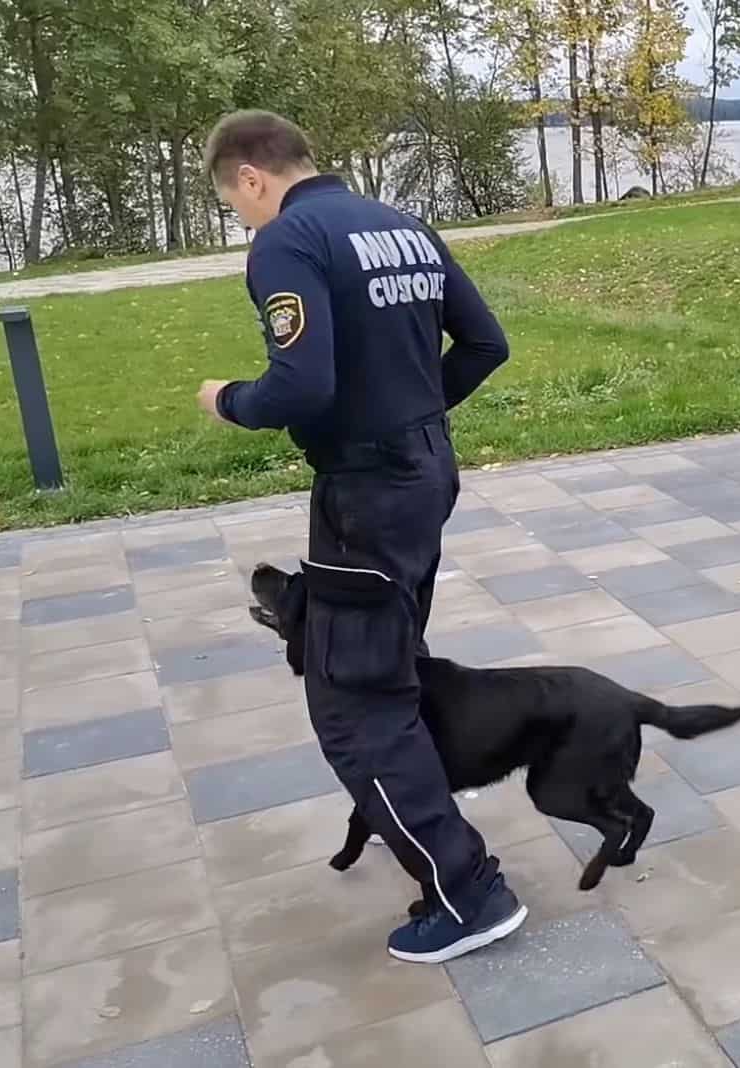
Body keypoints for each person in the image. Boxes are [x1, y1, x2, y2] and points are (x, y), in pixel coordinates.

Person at [195, 110, 523, 964]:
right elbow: (486, 344)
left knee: (351, 700)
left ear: (251, 178)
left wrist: (229, 399)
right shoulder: (401, 225)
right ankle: (410, 809)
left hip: (370, 492)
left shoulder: (287, 241)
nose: (243, 217)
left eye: (236, 202)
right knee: (391, 660)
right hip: (424, 473)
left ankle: (467, 892)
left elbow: (300, 385)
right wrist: (413, 416)